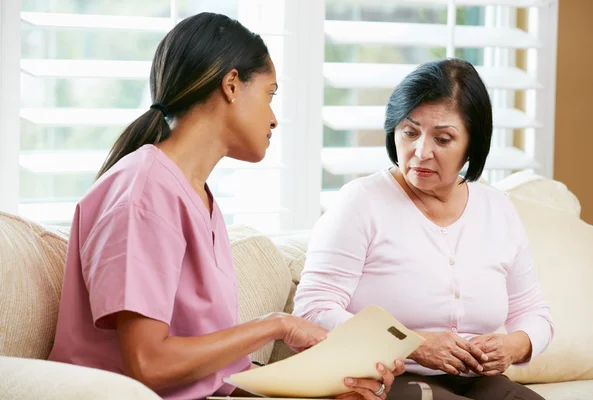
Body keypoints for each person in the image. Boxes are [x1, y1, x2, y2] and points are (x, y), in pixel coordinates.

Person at [48, 12, 404, 400]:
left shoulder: (198, 198)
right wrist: (276, 326)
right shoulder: (143, 191)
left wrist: (326, 387)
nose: (273, 119)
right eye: (270, 95)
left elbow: (212, 376)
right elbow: (149, 365)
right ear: (232, 85)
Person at [292, 59, 554, 400]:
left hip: (477, 380)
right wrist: (412, 343)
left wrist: (512, 346)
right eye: (410, 132)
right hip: (385, 375)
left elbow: (534, 312)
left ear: (472, 145)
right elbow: (313, 310)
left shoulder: (497, 209)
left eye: (443, 139)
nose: (421, 151)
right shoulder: (362, 201)